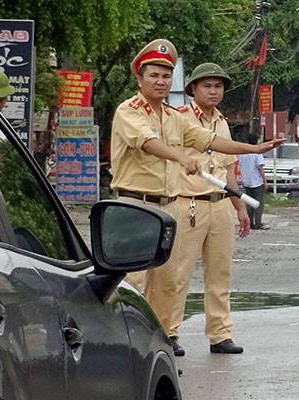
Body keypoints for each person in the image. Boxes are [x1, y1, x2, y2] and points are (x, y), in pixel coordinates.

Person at [110, 39, 284, 356]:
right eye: (154, 75)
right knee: (131, 279)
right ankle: (117, 342)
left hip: (167, 206)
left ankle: (158, 342)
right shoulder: (129, 111)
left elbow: (211, 141)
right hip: (135, 204)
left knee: (166, 281)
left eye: (166, 76)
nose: (161, 81)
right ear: (140, 78)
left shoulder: (174, 118)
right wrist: (179, 156)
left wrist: (254, 149)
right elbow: (147, 143)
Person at [170, 62, 250, 355]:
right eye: (207, 85)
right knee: (177, 273)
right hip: (188, 204)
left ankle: (220, 334)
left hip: (219, 206)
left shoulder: (222, 122)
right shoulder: (178, 119)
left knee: (220, 273)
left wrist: (239, 207)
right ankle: (169, 332)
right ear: (193, 89)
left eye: (218, 86)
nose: (213, 91)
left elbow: (229, 169)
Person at [239, 133, 268, 230]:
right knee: (258, 203)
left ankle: (250, 222)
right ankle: (258, 223)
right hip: (256, 181)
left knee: (249, 203)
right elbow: (260, 167)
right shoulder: (257, 152)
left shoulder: (243, 153)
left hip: (247, 180)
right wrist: (264, 180)